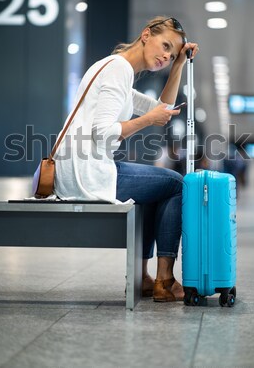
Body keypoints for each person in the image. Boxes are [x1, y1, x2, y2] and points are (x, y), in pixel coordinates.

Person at [54, 16, 199, 302]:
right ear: (146, 35)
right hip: (86, 171)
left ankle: (145, 279)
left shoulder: (115, 67)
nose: (166, 56)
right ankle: (165, 280)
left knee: (157, 187)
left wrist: (180, 64)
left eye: (171, 54)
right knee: (177, 184)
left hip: (81, 166)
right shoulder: (118, 70)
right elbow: (104, 135)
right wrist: (146, 120)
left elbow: (162, 109)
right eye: (164, 45)